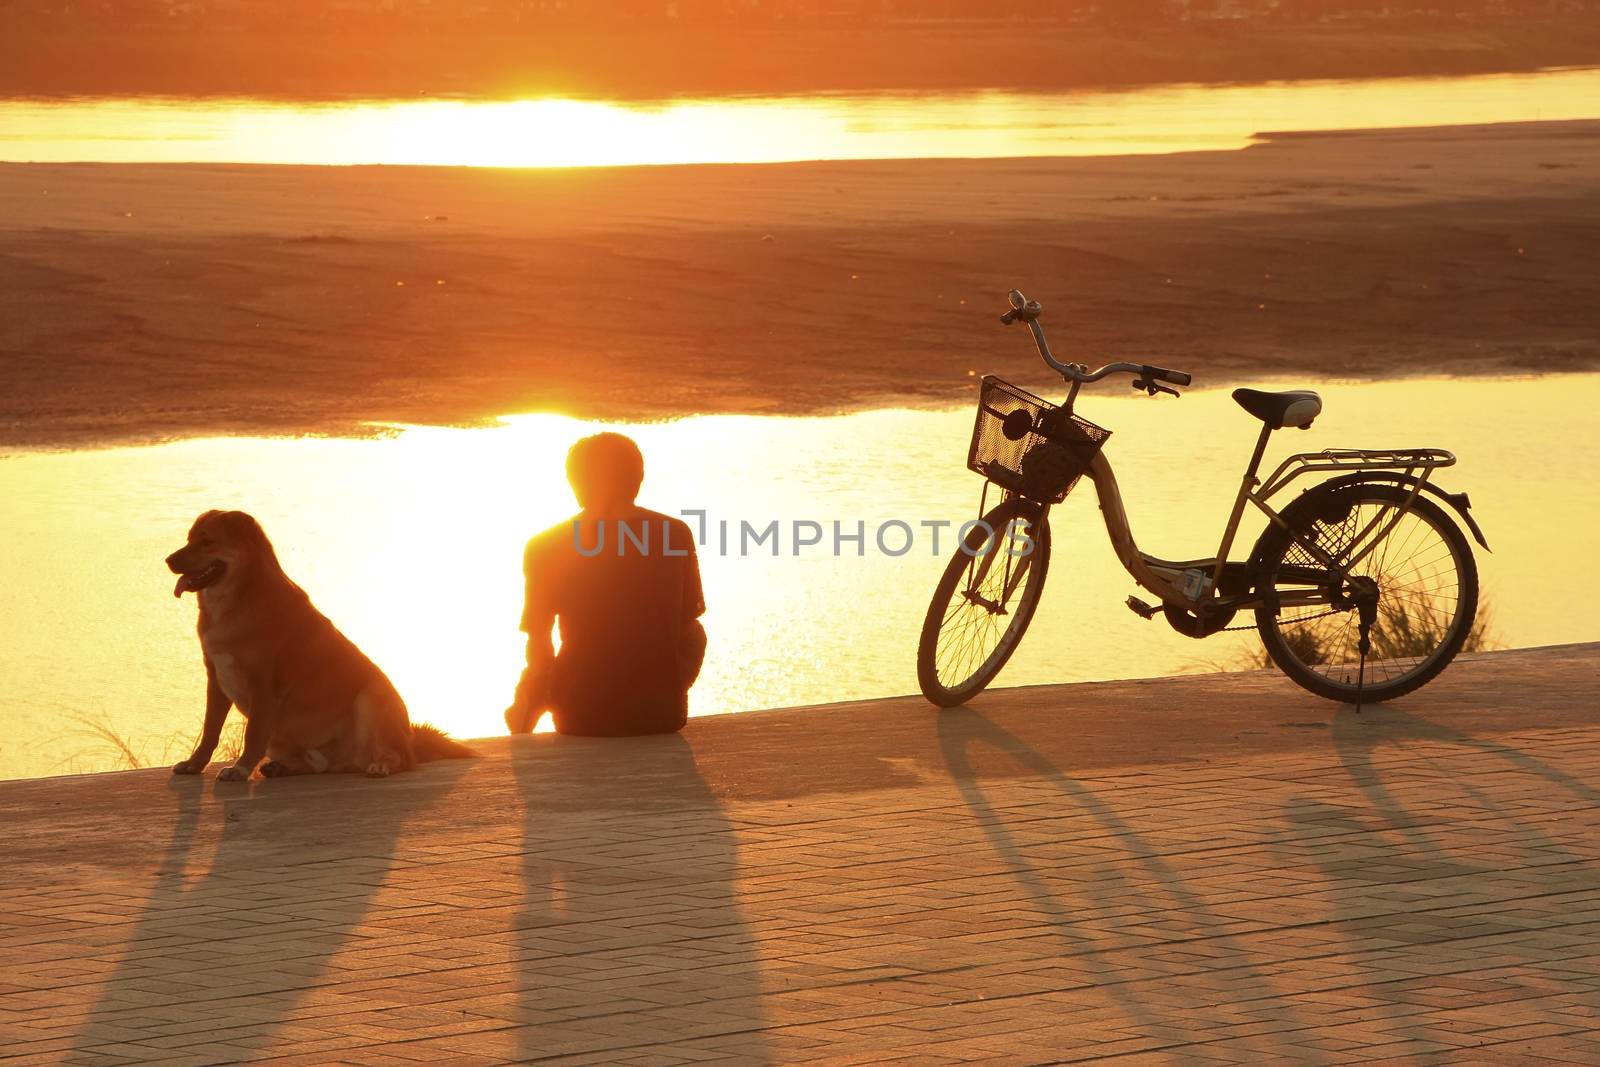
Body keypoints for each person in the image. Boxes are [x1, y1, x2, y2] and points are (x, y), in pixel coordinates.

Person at [505, 433, 706, 736]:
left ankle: (520, 722)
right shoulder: (674, 534)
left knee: (539, 661)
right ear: (638, 479)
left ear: (575, 482)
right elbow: (687, 624)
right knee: (694, 632)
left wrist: (532, 696)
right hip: (659, 715)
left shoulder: (545, 545)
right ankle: (664, 692)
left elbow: (539, 642)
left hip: (580, 714)